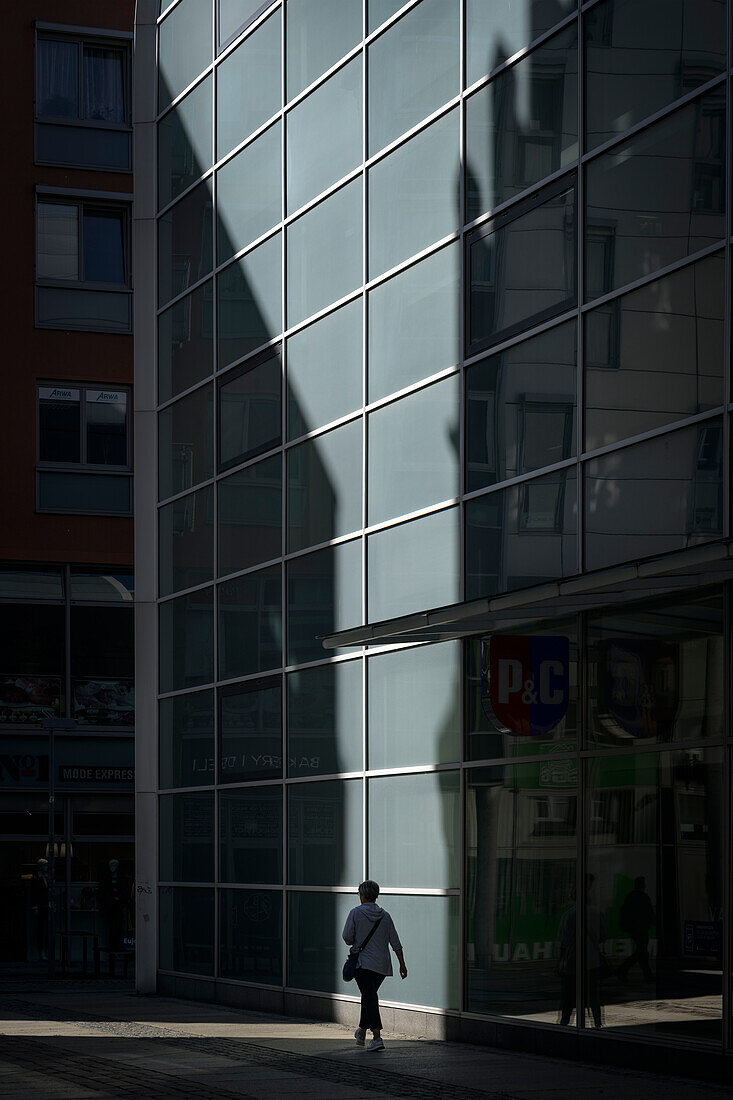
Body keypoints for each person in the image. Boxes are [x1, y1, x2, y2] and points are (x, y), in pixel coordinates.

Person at [342, 880, 407, 1051]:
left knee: (369, 997)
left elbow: (347, 937)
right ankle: (362, 1032)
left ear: (362, 896)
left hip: (363, 964)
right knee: (368, 995)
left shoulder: (355, 913)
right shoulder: (385, 916)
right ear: (376, 895)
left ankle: (377, 1037)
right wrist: (402, 965)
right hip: (382, 966)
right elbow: (396, 943)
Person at [618, 876, 654, 981]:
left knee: (642, 952)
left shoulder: (631, 897)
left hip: (634, 929)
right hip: (641, 929)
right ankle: (624, 969)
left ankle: (646, 974)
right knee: (642, 952)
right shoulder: (643, 897)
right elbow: (649, 913)